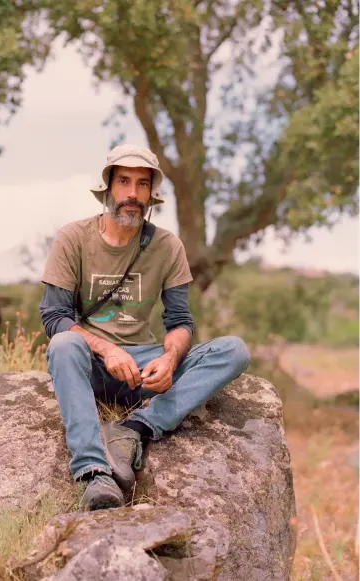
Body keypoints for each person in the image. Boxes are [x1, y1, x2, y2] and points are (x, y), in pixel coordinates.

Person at [39, 144, 250, 511]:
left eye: (141, 184)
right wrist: (105, 348)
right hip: (91, 364)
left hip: (143, 369)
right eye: (123, 182)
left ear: (152, 193)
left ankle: (136, 428)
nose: (132, 194)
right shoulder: (73, 238)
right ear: (108, 188)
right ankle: (94, 472)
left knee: (233, 351)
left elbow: (180, 322)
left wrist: (169, 359)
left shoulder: (167, 246)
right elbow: (55, 317)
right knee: (62, 346)